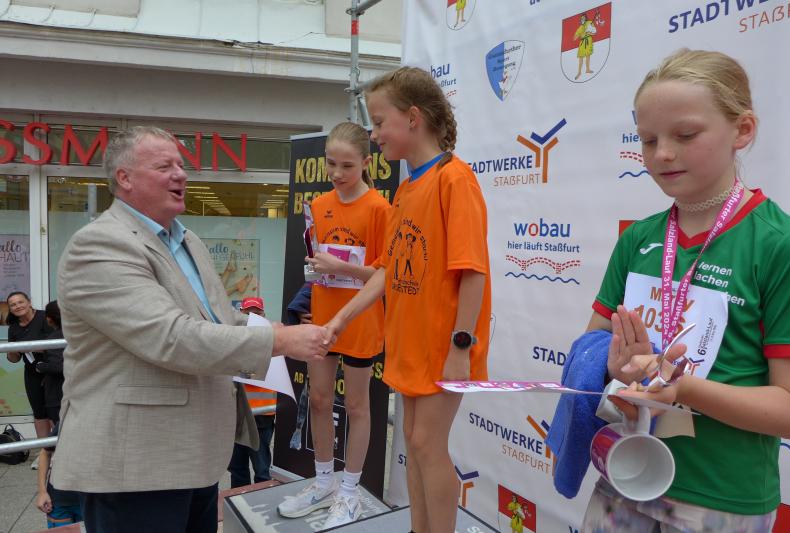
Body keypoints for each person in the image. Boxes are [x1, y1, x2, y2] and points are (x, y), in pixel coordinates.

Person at [52, 126, 332, 533]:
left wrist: (267, 326)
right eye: (164, 166)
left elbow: (216, 318)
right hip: (136, 466)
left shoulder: (189, 241)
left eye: (181, 165)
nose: (181, 174)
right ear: (124, 178)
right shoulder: (99, 245)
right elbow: (171, 337)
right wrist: (278, 340)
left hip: (195, 456)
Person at [582, 49, 790, 532]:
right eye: (648, 139)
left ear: (743, 130)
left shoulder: (783, 245)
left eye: (685, 135)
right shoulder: (638, 238)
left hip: (722, 496)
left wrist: (684, 388)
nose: (662, 153)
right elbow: (593, 349)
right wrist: (613, 367)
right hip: (624, 471)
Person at [326, 67, 492, 533]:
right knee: (416, 444)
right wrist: (341, 319)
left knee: (425, 445)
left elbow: (473, 271)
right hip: (410, 346)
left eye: (380, 122)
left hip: (443, 346)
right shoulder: (406, 187)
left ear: (413, 118)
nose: (374, 134)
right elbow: (387, 270)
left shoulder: (454, 179)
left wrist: (461, 347)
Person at [278, 122, 390, 528]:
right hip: (322, 320)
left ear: (366, 163)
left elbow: (385, 273)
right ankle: (323, 481)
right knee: (320, 400)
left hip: (361, 322)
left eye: (347, 165)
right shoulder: (319, 205)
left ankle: (349, 490)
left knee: (358, 406)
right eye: (331, 164)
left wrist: (342, 267)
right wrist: (311, 290)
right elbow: (316, 267)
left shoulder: (379, 208)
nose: (337, 173)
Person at [228, 296, 277, 488]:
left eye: (256, 313)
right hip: (237, 414)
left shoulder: (272, 338)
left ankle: (261, 501)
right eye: (248, 313)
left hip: (261, 414)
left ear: (263, 314)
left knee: (262, 469)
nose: (252, 317)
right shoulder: (234, 339)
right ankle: (238, 501)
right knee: (237, 468)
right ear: (241, 313)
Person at [5, 290, 53, 468]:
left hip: (53, 371)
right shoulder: (14, 327)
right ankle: (44, 453)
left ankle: (59, 452)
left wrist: (32, 346)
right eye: (13, 305)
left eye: (20, 302)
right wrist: (13, 351)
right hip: (32, 373)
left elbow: (58, 343)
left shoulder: (45, 318)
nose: (17, 306)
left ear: (29, 302)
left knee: (55, 411)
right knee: (39, 412)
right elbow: (13, 359)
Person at [35, 423, 83, 529]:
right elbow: (45, 452)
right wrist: (42, 491)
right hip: (60, 497)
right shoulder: (68, 419)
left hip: (93, 499)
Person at [35, 301, 66, 424]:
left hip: (58, 395)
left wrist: (40, 366)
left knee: (60, 430)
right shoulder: (79, 335)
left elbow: (58, 367)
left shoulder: (54, 339)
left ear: (49, 319)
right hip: (78, 392)